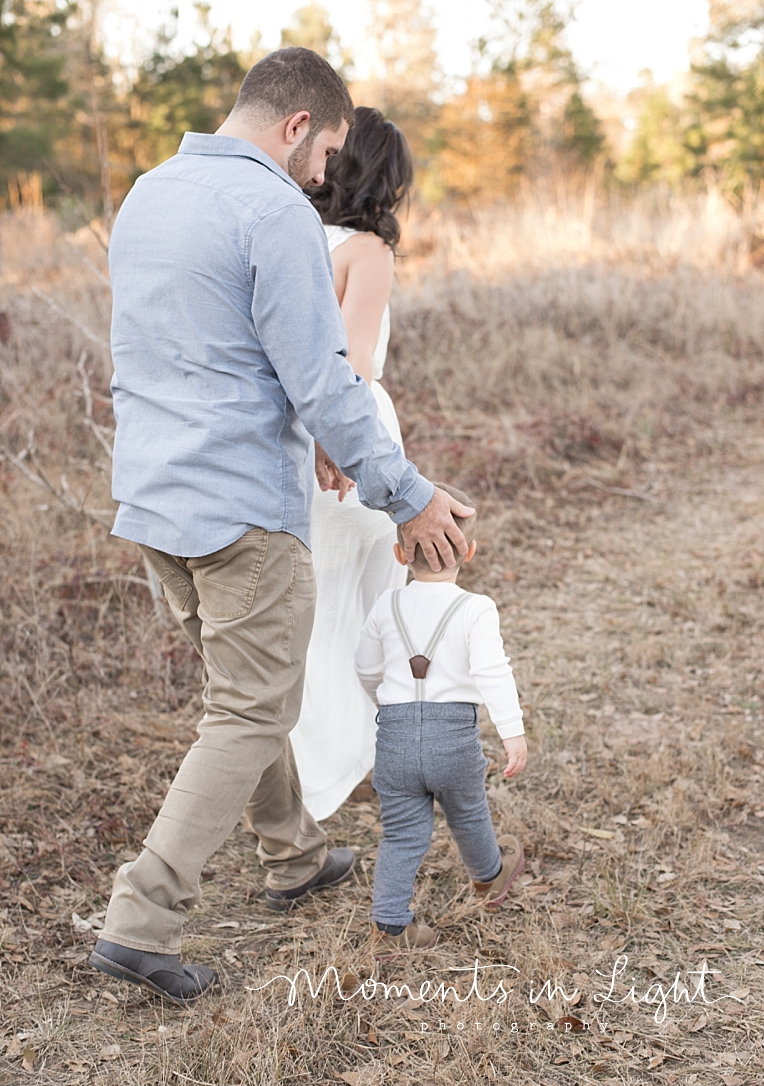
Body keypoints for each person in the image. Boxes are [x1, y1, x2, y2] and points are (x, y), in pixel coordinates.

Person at [88, 47, 474, 1005]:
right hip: (241, 512)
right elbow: (325, 383)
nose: (325, 176)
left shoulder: (147, 193)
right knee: (250, 709)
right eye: (328, 150)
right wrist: (411, 494)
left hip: (149, 500)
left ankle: (295, 855)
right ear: (299, 124)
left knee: (241, 693)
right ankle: (141, 921)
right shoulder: (274, 211)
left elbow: (154, 353)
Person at [290, 107, 413, 820]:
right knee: (363, 616)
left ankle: (313, 777)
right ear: (386, 179)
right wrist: (346, 446)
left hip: (290, 442)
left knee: (312, 617)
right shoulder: (366, 251)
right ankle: (343, 772)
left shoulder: (293, 234)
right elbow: (355, 363)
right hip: (348, 440)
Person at [354, 483, 528, 961]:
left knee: (402, 833)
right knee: (468, 811)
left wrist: (385, 704)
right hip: (454, 740)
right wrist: (512, 731)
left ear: (398, 553)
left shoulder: (385, 605)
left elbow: (366, 667)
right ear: (469, 551)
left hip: (394, 738)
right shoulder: (476, 608)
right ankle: (488, 875)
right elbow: (493, 671)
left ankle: (389, 925)